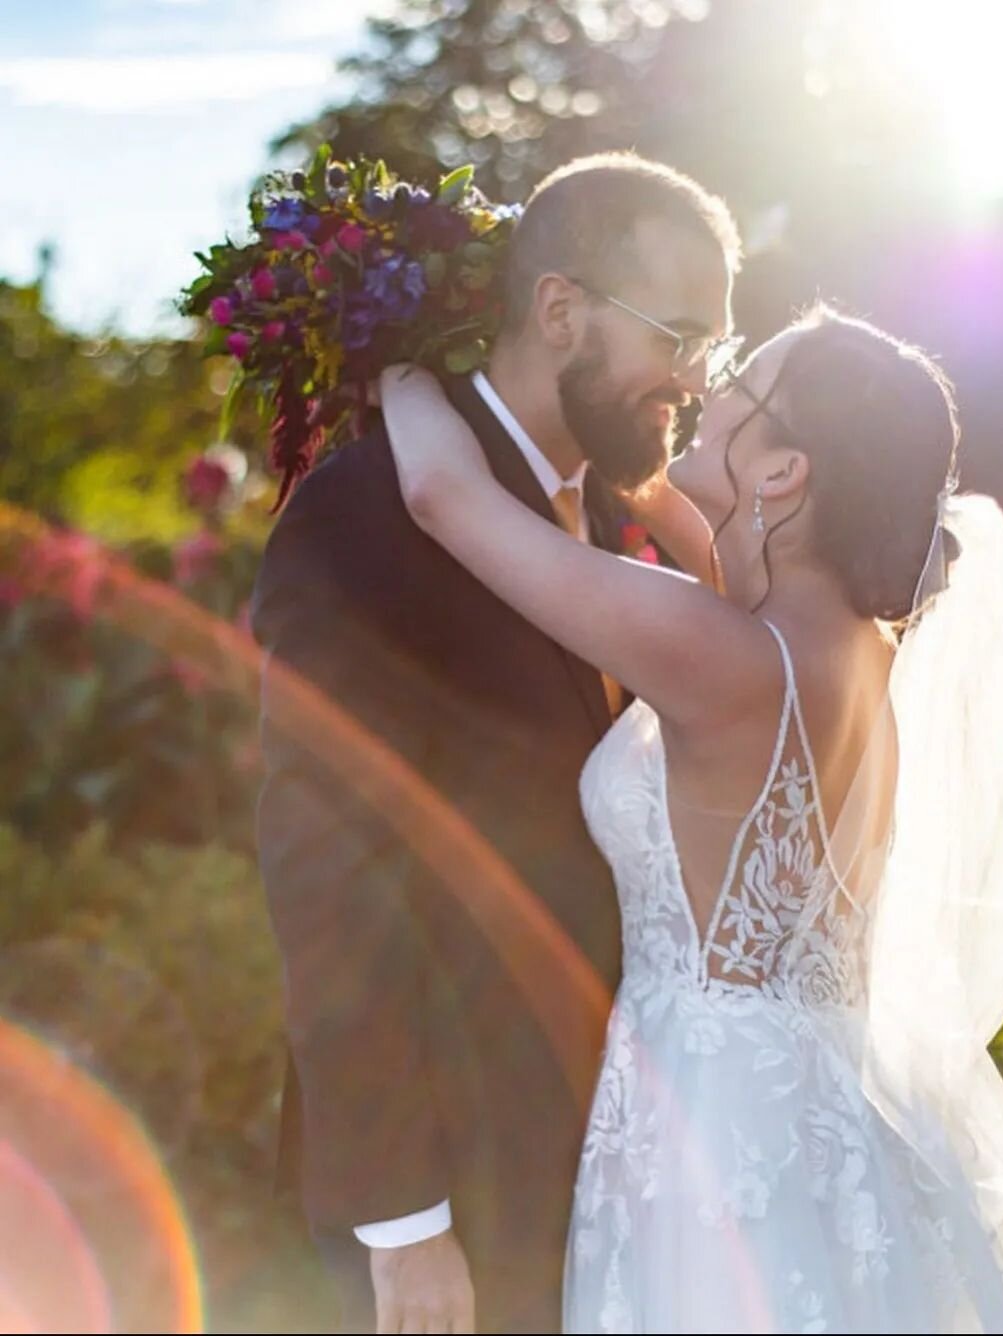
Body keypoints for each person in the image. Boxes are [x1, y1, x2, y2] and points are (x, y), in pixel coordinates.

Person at [377, 302, 1003, 1333]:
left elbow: (442, 494)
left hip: (714, 1136)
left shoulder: (717, 656)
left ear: (783, 471)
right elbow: (696, 527)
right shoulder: (844, 643)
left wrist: (392, 346)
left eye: (737, 385)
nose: (707, 390)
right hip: (823, 1105)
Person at [251, 152, 741, 1333]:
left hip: (609, 1165)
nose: (690, 378)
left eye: (709, 347)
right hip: (450, 1193)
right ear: (559, 310)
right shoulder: (366, 515)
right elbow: (329, 875)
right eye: (674, 333)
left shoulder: (630, 522)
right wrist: (403, 1222)